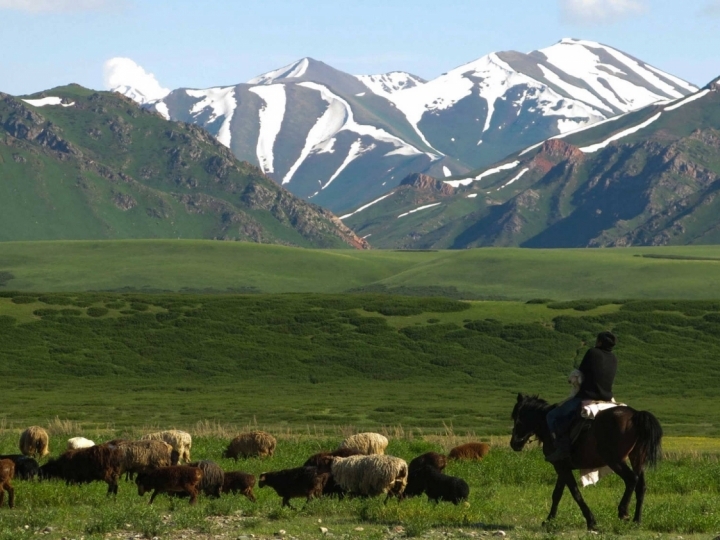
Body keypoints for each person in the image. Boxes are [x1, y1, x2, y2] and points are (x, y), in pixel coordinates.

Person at [545, 331, 618, 463]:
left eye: (597, 340)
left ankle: (563, 448)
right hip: (607, 398)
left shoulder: (592, 353)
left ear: (600, 342)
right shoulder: (613, 358)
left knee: (552, 416)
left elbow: (581, 373)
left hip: (588, 396)